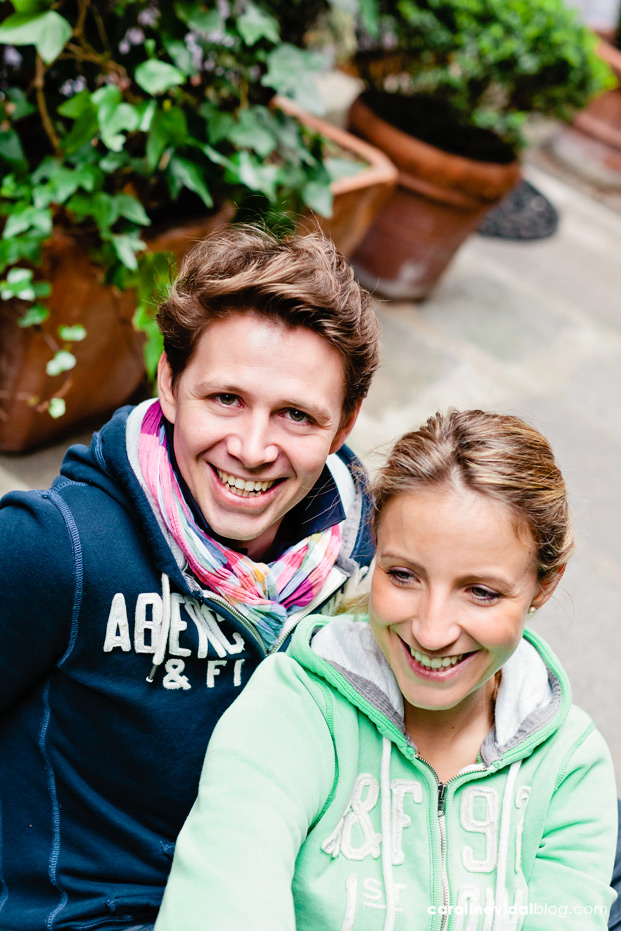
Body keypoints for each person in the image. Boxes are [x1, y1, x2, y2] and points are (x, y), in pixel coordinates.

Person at [0, 227, 381, 930]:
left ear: (343, 424)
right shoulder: (62, 547)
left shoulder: (367, 561)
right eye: (226, 399)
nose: (253, 447)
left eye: (296, 414)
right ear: (170, 382)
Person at [155, 409, 618, 931]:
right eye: (403, 575)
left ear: (544, 585)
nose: (432, 630)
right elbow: (221, 903)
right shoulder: (295, 709)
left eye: (481, 592)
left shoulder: (570, 768)